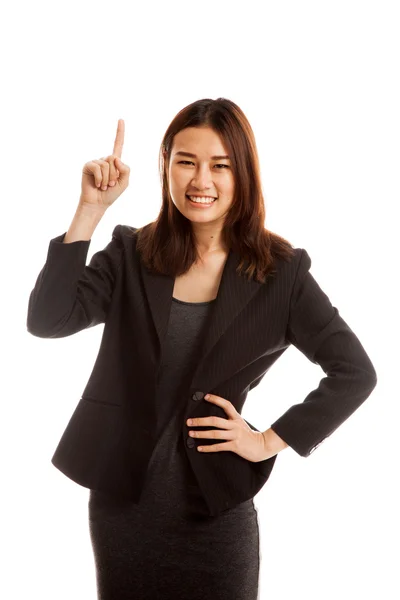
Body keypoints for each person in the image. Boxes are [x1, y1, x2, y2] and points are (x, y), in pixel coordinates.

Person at [26, 99, 378, 600]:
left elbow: (355, 373)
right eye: (186, 161)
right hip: (124, 508)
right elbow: (48, 320)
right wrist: (90, 211)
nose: (201, 181)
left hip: (216, 510)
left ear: (244, 173)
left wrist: (267, 440)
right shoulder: (131, 252)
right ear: (166, 165)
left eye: (220, 165)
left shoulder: (282, 273)